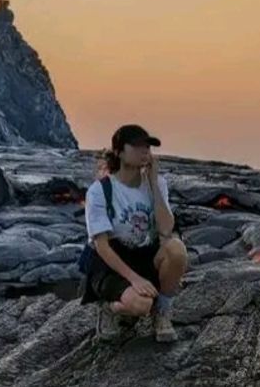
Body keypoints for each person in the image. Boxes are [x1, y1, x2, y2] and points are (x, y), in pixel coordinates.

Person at [80, 123, 188, 343]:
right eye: (138, 146)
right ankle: (109, 308)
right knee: (141, 305)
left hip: (144, 253)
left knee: (177, 249)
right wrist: (134, 279)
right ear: (119, 152)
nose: (145, 151)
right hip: (111, 261)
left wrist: (154, 184)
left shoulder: (156, 183)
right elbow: (102, 246)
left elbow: (166, 228)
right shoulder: (100, 190)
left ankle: (162, 312)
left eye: (148, 146)